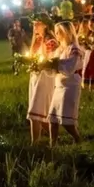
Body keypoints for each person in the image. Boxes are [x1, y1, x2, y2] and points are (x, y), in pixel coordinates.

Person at [46, 21, 83, 147]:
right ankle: (53, 144)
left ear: (66, 32)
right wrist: (45, 66)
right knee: (53, 118)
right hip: (59, 86)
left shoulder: (75, 49)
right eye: (56, 32)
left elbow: (70, 67)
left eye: (59, 32)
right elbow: (53, 67)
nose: (56, 35)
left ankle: (77, 139)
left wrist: (54, 64)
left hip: (70, 86)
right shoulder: (60, 50)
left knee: (66, 120)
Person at [27, 14, 57, 144]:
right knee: (40, 111)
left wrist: (41, 62)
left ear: (45, 25)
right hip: (35, 76)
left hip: (45, 77)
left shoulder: (50, 40)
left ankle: (35, 143)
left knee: (35, 110)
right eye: (33, 24)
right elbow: (32, 56)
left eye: (37, 23)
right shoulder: (36, 39)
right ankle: (54, 137)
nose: (34, 26)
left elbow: (52, 60)